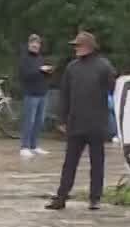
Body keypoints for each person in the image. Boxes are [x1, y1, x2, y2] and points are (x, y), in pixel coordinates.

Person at [48, 31, 116, 211]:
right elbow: (65, 94)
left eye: (79, 45)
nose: (76, 49)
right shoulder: (72, 68)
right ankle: (61, 197)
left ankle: (95, 198)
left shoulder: (104, 66)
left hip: (96, 123)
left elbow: (115, 88)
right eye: (75, 46)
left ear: (89, 47)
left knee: (97, 163)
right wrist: (61, 118)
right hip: (76, 122)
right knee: (69, 163)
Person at [16, 34, 54, 159]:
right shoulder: (24, 58)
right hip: (30, 94)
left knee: (39, 121)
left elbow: (43, 74)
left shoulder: (40, 58)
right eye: (33, 43)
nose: (35, 45)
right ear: (29, 44)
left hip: (42, 93)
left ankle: (34, 145)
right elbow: (25, 75)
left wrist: (48, 71)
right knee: (29, 120)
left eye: (37, 43)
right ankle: (24, 146)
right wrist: (39, 70)